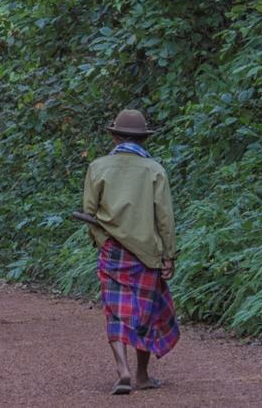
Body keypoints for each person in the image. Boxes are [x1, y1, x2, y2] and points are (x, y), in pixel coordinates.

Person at [81, 109, 179, 396]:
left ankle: (122, 369)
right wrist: (169, 254)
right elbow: (165, 218)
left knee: (116, 310)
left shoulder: (98, 167)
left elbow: (89, 213)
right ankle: (142, 374)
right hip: (147, 254)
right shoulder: (155, 170)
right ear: (143, 139)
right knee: (143, 313)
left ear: (113, 135)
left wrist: (102, 240)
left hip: (113, 251)